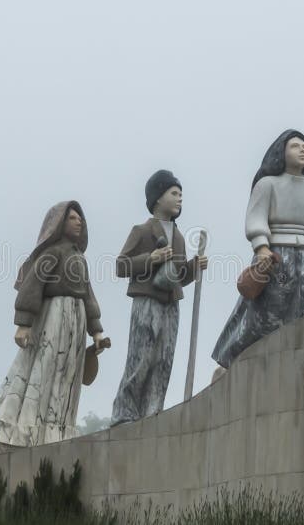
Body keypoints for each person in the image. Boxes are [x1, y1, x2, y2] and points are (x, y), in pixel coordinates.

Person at [0, 201, 106, 450]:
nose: (79, 221)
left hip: (76, 323)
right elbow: (33, 285)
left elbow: (88, 296)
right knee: (43, 369)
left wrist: (97, 330)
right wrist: (24, 323)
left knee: (67, 376)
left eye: (81, 218)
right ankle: (25, 426)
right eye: (72, 218)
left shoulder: (80, 259)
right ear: (58, 223)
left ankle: (56, 428)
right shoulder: (53, 253)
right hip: (53, 317)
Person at [212, 129, 304, 368]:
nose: (303, 149)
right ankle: (238, 357)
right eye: (295, 146)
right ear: (281, 151)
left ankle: (294, 362)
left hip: (303, 256)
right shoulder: (267, 184)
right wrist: (261, 246)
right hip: (274, 255)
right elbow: (256, 218)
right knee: (266, 313)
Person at [111, 170, 208, 426]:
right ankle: (125, 412)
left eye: (181, 195)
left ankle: (153, 410)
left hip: (171, 305)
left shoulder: (178, 236)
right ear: (157, 198)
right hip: (147, 302)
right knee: (141, 357)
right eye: (174, 193)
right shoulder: (142, 231)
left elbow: (175, 277)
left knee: (164, 359)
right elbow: (121, 266)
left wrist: (193, 267)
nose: (179, 199)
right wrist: (150, 259)